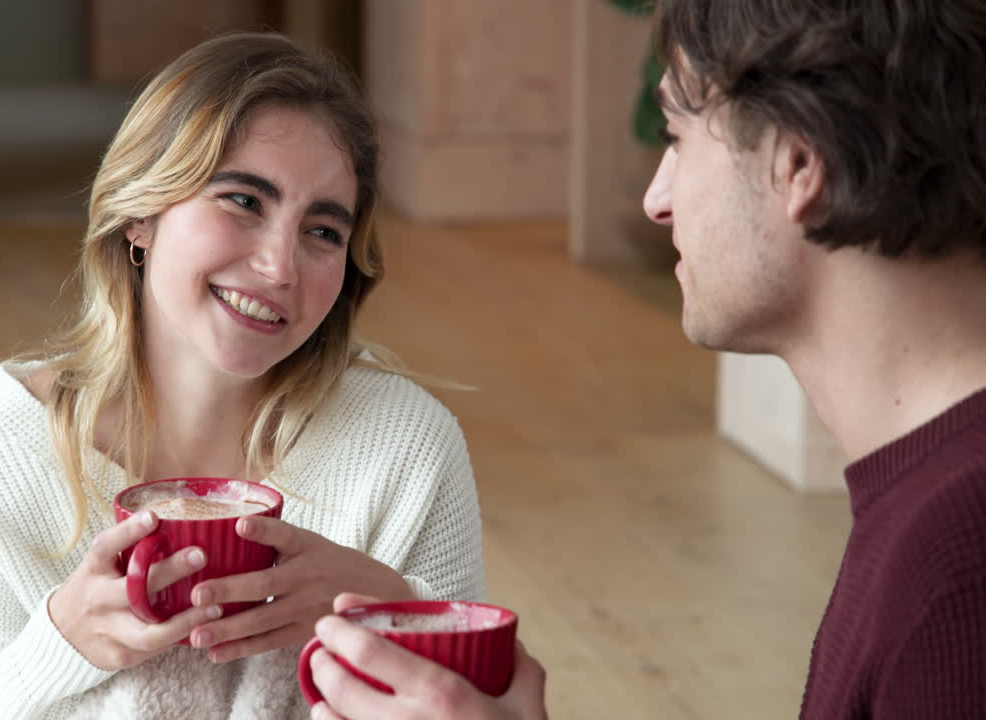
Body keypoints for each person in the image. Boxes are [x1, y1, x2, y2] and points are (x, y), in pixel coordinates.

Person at [307, 1, 986, 718]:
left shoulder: (960, 555)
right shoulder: (934, 503)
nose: (657, 200)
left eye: (677, 137)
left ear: (798, 162)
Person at [0, 32, 486, 720]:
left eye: (323, 231)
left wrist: (399, 607)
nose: (281, 266)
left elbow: (478, 703)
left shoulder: (407, 448)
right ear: (140, 214)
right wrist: (61, 641)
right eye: (244, 200)